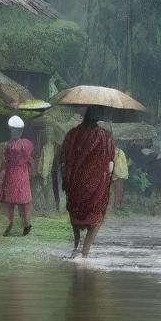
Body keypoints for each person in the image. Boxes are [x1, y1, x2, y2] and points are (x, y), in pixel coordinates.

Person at [56, 106, 115, 257]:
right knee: (95, 219)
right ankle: (85, 253)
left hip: (75, 183)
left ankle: (76, 245)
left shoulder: (72, 134)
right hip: (96, 185)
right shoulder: (105, 137)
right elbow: (110, 160)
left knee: (75, 214)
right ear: (99, 118)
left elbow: (63, 157)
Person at [0, 114, 34, 237]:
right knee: (23, 201)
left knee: (10, 202)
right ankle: (26, 224)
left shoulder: (8, 145)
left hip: (11, 174)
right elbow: (30, 160)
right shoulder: (27, 144)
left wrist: (0, 177)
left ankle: (9, 224)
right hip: (23, 174)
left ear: (11, 129)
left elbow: (4, 162)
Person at [111, 146, 129, 210]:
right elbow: (125, 164)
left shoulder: (115, 152)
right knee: (120, 189)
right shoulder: (121, 152)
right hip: (122, 173)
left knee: (117, 190)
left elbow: (113, 161)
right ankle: (118, 205)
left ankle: (116, 205)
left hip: (116, 174)